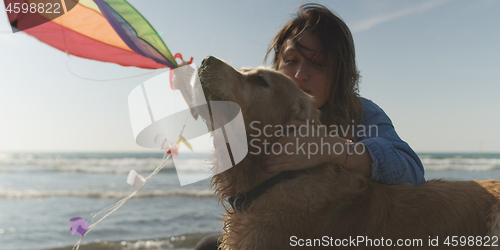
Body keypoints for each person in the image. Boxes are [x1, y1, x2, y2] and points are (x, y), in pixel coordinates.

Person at [195, 3, 425, 250]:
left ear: (340, 75)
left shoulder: (362, 114)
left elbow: (412, 174)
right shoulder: (260, 103)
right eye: (291, 60)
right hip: (265, 226)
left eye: (319, 64)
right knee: (208, 245)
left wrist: (334, 149)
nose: (301, 73)